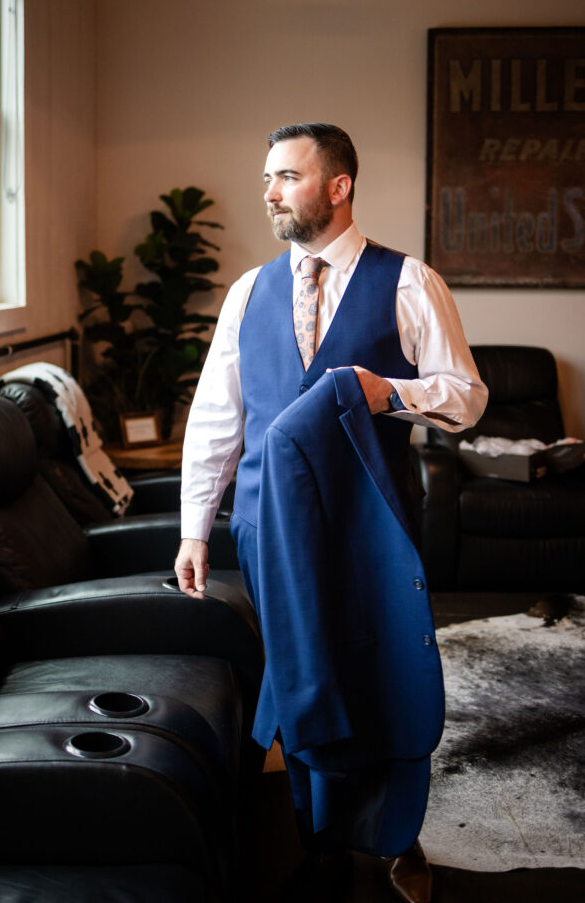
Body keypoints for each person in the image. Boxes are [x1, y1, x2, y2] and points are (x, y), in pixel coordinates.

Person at [174, 123, 488, 902]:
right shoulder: (248, 292)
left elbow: (467, 396)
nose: (269, 191)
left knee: (384, 673)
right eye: (267, 178)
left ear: (337, 185)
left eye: (285, 176)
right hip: (266, 527)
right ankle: (315, 833)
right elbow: (216, 419)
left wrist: (393, 392)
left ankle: (395, 834)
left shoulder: (409, 281)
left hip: (369, 525)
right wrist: (192, 529)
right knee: (301, 678)